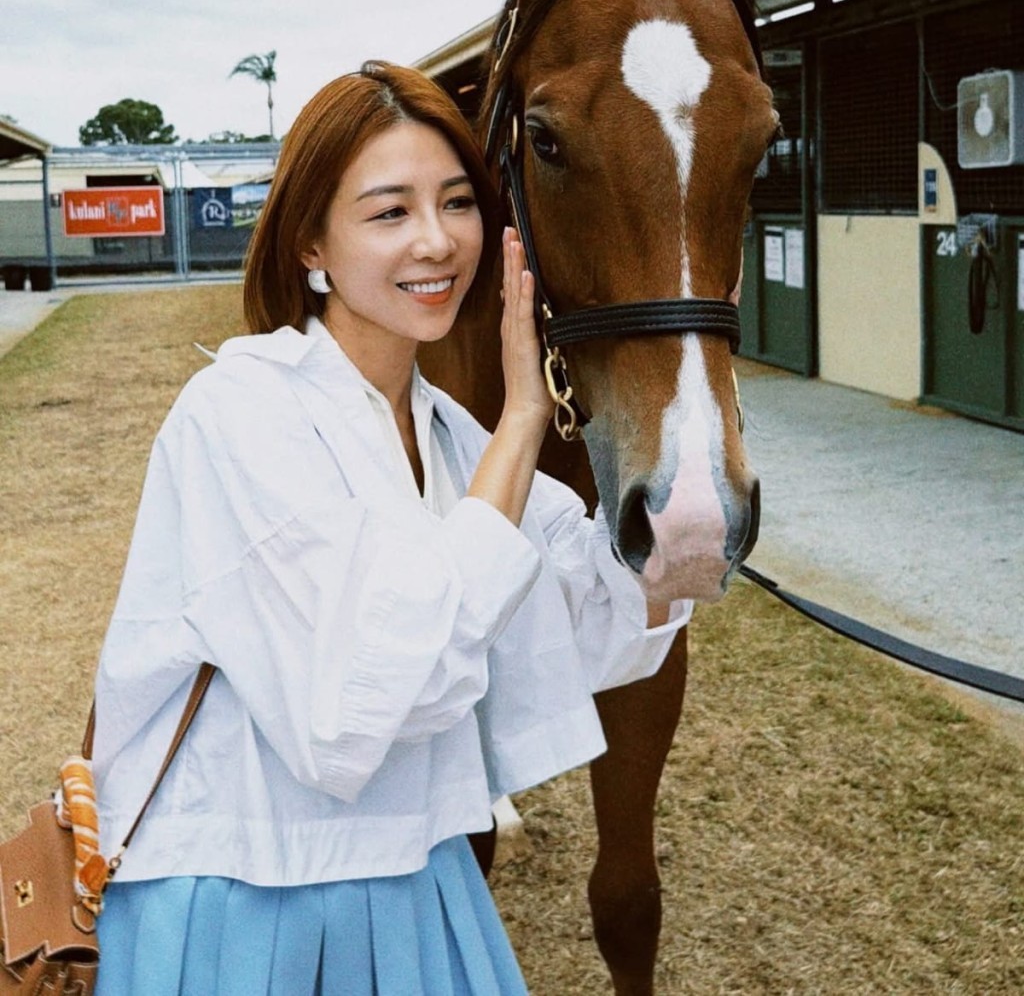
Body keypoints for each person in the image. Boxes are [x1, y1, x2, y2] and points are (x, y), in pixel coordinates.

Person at [92, 61, 691, 995]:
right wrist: (524, 418)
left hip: (419, 880)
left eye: (457, 202)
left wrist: (687, 449)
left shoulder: (448, 435)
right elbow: (356, 709)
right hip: (245, 898)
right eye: (389, 212)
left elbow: (587, 622)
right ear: (310, 243)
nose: (436, 240)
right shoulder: (238, 412)